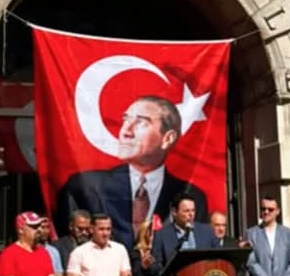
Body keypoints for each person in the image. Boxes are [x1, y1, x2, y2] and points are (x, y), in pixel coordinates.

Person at [56, 96, 208, 248]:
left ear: (168, 138)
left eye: (141, 122)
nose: (125, 132)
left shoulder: (191, 196)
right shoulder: (86, 187)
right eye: (126, 120)